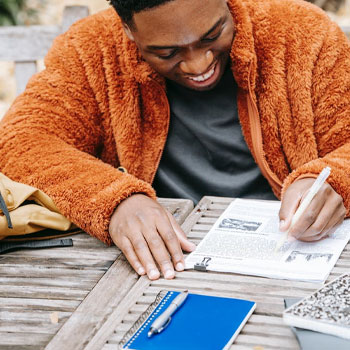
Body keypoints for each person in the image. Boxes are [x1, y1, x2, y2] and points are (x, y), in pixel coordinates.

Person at [0, 0, 349, 280]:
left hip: (295, 262)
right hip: (157, 269)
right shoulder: (92, 50)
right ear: (128, 31)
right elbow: (22, 140)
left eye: (212, 36)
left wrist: (336, 180)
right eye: (167, 53)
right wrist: (115, 200)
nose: (198, 65)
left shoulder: (302, 35)